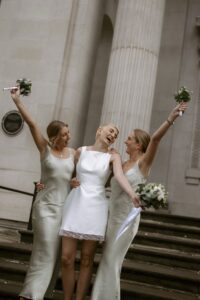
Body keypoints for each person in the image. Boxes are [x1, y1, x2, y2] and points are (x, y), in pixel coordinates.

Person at [91, 102, 188, 300]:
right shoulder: (119, 161)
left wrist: (171, 118)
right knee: (107, 262)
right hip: (110, 219)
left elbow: (156, 139)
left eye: (129, 139)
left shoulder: (143, 164)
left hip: (127, 221)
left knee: (111, 260)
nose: (124, 141)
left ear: (138, 144)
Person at [59, 123, 141, 300]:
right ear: (99, 130)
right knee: (66, 258)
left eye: (116, 134)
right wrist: (69, 181)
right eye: (111, 130)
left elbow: (119, 176)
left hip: (96, 207)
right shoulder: (80, 151)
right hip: (76, 204)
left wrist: (132, 194)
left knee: (87, 259)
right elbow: (64, 173)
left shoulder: (113, 157)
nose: (113, 134)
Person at [10, 88, 75, 300]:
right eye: (64, 134)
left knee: (55, 255)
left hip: (64, 209)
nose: (68, 137)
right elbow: (32, 124)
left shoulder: (74, 154)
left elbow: (86, 172)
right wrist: (18, 101)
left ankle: (42, 293)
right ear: (55, 136)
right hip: (45, 208)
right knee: (45, 250)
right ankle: (29, 295)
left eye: (68, 133)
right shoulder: (45, 149)